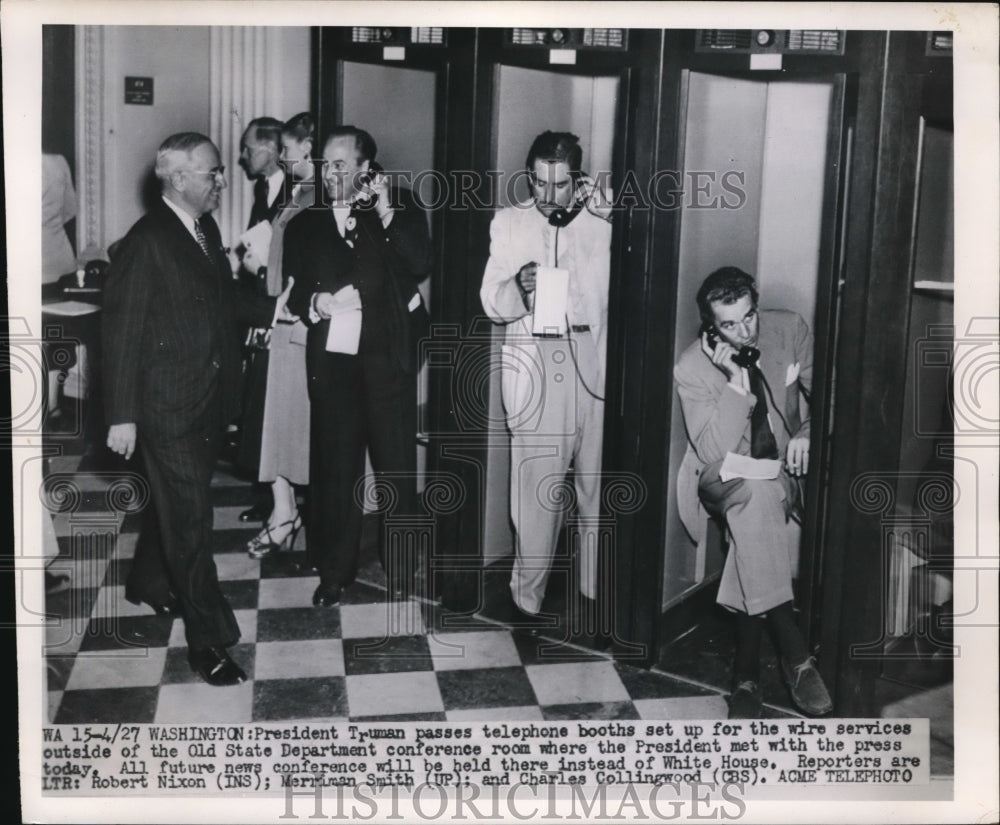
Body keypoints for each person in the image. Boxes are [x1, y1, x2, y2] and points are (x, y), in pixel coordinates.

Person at [103, 132, 281, 686]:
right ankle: (210, 640)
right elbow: (121, 333)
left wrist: (283, 307)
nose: (222, 182)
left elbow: (224, 301)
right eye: (212, 173)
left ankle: (149, 584)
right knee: (191, 523)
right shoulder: (146, 240)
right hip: (165, 409)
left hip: (206, 401)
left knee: (178, 508)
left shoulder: (202, 229)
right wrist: (121, 415)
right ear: (178, 179)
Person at [674, 266, 833, 718]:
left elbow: (829, 392)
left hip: (777, 472)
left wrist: (807, 430)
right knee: (754, 497)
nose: (744, 332)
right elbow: (710, 450)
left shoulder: (789, 328)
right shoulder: (691, 367)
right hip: (719, 477)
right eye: (729, 324)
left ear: (756, 305)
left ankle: (745, 675)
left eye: (749, 317)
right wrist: (734, 382)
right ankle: (796, 655)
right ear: (710, 327)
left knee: (758, 506)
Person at [285, 126, 431, 607]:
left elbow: (418, 262)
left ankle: (402, 568)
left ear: (367, 168)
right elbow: (297, 289)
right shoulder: (305, 223)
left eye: (342, 165)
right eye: (326, 164)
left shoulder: (400, 206)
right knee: (336, 467)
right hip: (334, 363)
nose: (331, 174)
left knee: (396, 467)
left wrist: (384, 211)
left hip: (388, 356)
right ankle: (334, 572)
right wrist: (317, 302)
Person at [480, 131, 612, 646]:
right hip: (538, 361)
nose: (547, 195)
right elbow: (490, 297)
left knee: (596, 488)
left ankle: (593, 593)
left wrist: (611, 216)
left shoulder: (603, 224)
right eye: (538, 182)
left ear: (578, 181)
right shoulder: (510, 223)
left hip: (593, 359)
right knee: (536, 488)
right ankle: (527, 600)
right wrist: (519, 287)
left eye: (560, 185)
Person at [241, 112, 317, 558]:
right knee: (276, 422)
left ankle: (289, 516)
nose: (284, 157)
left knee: (294, 425)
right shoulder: (300, 191)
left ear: (306, 147)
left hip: (301, 320)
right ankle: (282, 512)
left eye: (288, 148)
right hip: (281, 317)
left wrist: (267, 270)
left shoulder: (319, 195)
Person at [235, 117, 287, 524]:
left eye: (249, 148)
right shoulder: (261, 187)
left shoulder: (298, 190)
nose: (244, 156)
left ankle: (281, 502)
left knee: (275, 406)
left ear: (270, 149)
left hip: (280, 307)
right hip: (259, 306)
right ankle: (267, 496)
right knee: (258, 401)